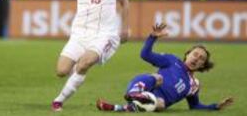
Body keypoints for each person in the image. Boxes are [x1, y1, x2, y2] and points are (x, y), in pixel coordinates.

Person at [5, 0, 130, 111]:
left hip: (105, 34)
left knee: (85, 63)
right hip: (80, 33)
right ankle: (77, 74)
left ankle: (58, 100)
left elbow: (125, 2)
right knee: (61, 71)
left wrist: (124, 28)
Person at [96, 23, 233, 112]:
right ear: (187, 54)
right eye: (195, 54)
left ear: (202, 65)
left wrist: (215, 106)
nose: (196, 58)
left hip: (153, 102)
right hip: (144, 86)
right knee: (158, 77)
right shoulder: (172, 60)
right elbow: (145, 55)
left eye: (201, 58)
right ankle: (134, 93)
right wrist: (152, 38)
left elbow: (194, 106)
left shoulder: (194, 85)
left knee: (160, 104)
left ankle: (114, 108)